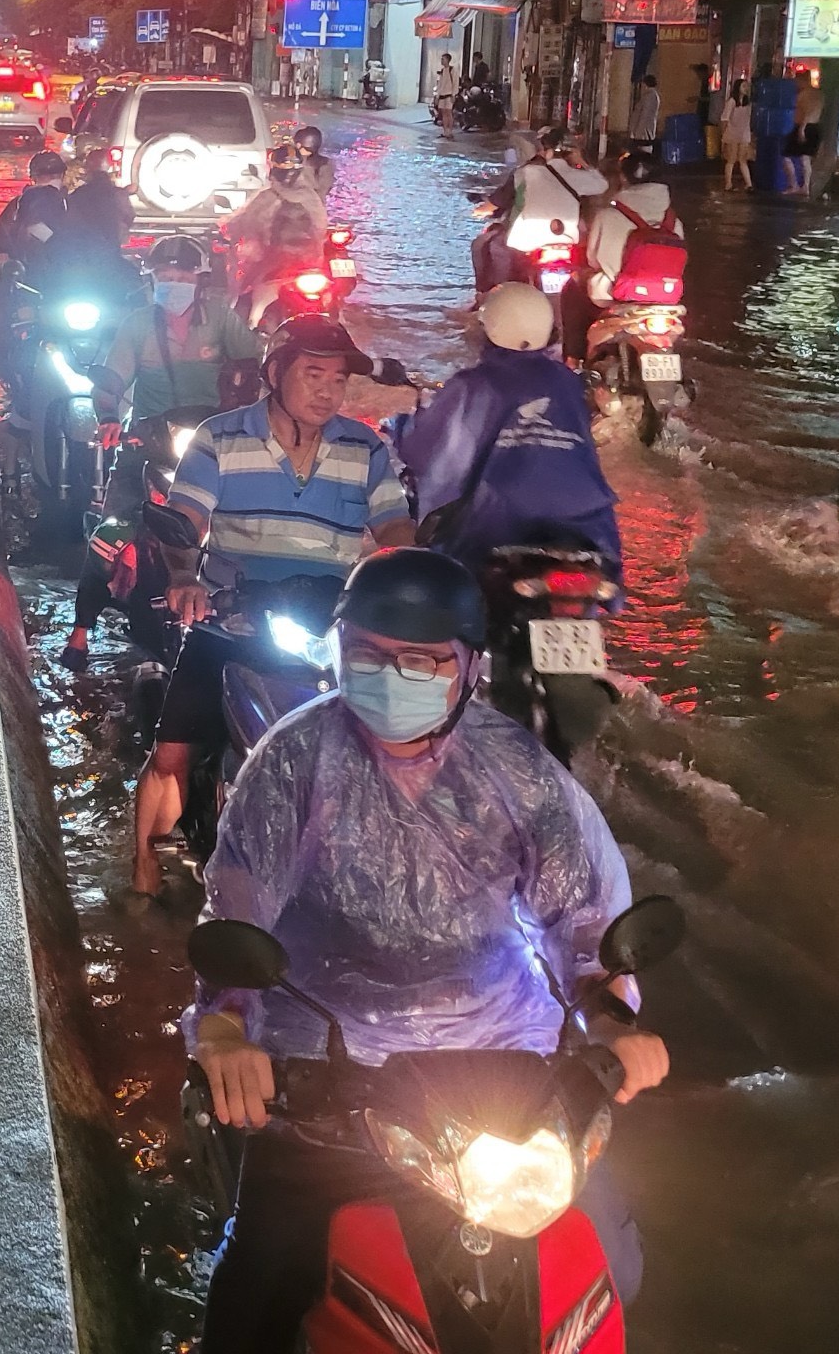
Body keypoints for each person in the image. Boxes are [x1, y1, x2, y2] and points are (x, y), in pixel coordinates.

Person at [188, 547, 668, 1348]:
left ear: (469, 667)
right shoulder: (294, 762)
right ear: (340, 650)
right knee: (257, 1295)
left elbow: (583, 921)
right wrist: (227, 1027)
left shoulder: (521, 773)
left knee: (612, 1265)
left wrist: (610, 1017)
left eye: (422, 661)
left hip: (505, 1070)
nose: (391, 676)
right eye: (370, 656)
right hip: (334, 1073)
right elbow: (237, 911)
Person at [130, 315, 413, 894]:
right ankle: (142, 871)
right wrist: (187, 577)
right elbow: (186, 521)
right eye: (314, 375)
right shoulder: (220, 437)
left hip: (329, 624)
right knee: (172, 748)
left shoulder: (366, 448)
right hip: (231, 617)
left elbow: (395, 530)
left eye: (337, 379)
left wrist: (416, 578)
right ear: (276, 372)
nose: (328, 391)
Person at [61, 237, 262, 669]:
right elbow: (111, 380)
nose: (174, 283)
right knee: (111, 531)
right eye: (165, 277)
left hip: (212, 442)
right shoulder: (136, 326)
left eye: (183, 276)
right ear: (152, 280)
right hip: (148, 439)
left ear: (200, 280)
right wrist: (109, 416)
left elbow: (256, 367)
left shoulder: (223, 322)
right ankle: (80, 631)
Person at [396, 283, 622, 575]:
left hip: (495, 522)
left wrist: (400, 428)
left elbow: (423, 448)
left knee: (445, 579)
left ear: (488, 328)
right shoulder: (568, 382)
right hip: (588, 523)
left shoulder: (472, 384)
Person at [470, 125, 605, 298]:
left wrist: (479, 211)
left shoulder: (525, 173)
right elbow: (602, 185)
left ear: (543, 149)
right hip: (568, 241)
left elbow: (497, 201)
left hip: (525, 243)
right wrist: (583, 162)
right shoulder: (580, 177)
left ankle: (490, 297)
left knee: (485, 245)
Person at [221, 147, 328, 307]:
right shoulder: (311, 197)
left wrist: (225, 227)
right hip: (311, 263)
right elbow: (321, 227)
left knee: (241, 296)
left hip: (273, 263)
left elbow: (242, 223)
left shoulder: (266, 197)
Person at [582, 151, 677, 309]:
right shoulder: (673, 221)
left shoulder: (606, 216)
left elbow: (592, 259)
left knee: (576, 284)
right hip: (666, 297)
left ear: (623, 178)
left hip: (616, 294)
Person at [786, 72, 824, 191]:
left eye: (797, 81)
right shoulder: (820, 95)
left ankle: (794, 185)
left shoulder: (804, 95)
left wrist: (802, 128)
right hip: (815, 126)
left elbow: (807, 113)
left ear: (802, 80)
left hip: (803, 126)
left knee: (787, 156)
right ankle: (805, 187)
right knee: (806, 158)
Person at [721, 81, 755, 190]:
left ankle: (749, 184)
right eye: (744, 86)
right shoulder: (731, 102)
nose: (746, 88)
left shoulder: (748, 103)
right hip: (732, 133)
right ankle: (728, 183)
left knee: (742, 159)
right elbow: (725, 119)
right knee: (731, 159)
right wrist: (723, 134)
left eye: (747, 86)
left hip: (743, 134)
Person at [290, 125, 336, 199]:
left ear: (298, 145)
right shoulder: (327, 163)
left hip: (297, 205)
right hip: (317, 207)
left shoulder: (293, 162)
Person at [626, 75, 663, 163]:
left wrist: (636, 130)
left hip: (644, 130)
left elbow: (644, 115)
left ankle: (642, 167)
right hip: (645, 129)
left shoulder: (649, 96)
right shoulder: (651, 95)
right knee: (643, 149)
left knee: (643, 150)